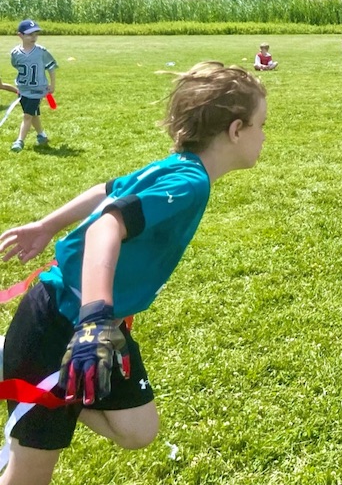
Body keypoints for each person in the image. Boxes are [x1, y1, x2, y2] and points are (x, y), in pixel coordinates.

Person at [0, 62, 267, 485]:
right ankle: (31, 369)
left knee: (138, 430)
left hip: (100, 325)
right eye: (261, 125)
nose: (264, 136)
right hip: (62, 324)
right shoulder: (189, 182)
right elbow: (105, 226)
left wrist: (47, 225)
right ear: (236, 130)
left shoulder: (179, 167)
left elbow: (108, 190)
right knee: (27, 479)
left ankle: (36, 371)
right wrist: (93, 319)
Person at [9, 20, 57, 153]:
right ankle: (42, 135)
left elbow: (51, 67)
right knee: (33, 114)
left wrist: (52, 84)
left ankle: (19, 141)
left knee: (27, 116)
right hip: (23, 90)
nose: (34, 37)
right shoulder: (15, 53)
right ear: (20, 35)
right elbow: (16, 65)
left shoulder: (41, 52)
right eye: (30, 34)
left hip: (37, 90)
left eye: (36, 34)